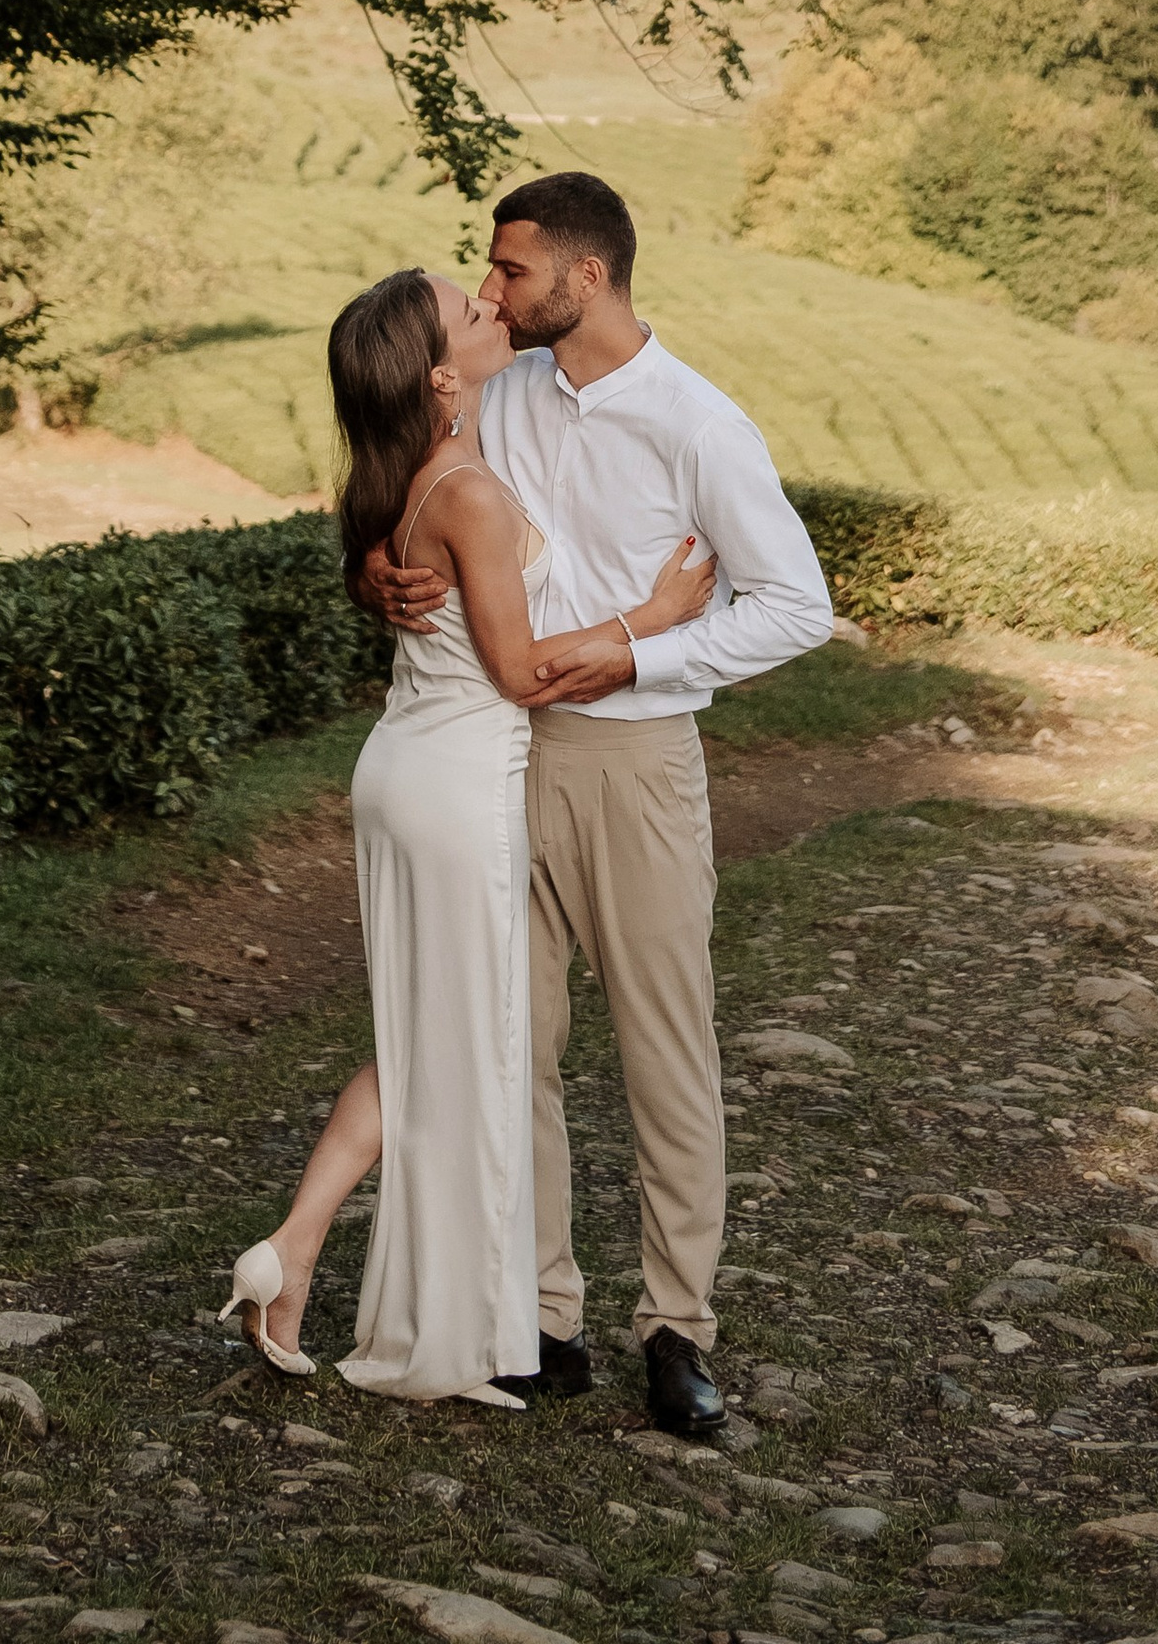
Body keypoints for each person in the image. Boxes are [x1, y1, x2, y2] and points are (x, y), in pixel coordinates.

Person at [362, 171, 833, 1440]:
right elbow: (413, 504)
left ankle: (677, 1326)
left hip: (636, 762)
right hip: (497, 755)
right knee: (515, 1045)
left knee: (661, 1048)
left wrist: (638, 655)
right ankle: (543, 1314)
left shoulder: (697, 423)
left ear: (587, 277)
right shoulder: (496, 397)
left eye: (510, 270)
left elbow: (795, 604)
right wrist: (378, 567)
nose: (491, 288)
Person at [221, 265, 718, 1407]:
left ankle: (313, 1263)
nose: (493, 304)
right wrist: (653, 618)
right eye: (469, 308)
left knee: (432, 1040)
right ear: (441, 373)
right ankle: (303, 1257)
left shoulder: (416, 471)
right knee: (451, 1044)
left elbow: (410, 574)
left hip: (409, 762)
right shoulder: (471, 492)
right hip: (455, 781)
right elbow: (523, 672)